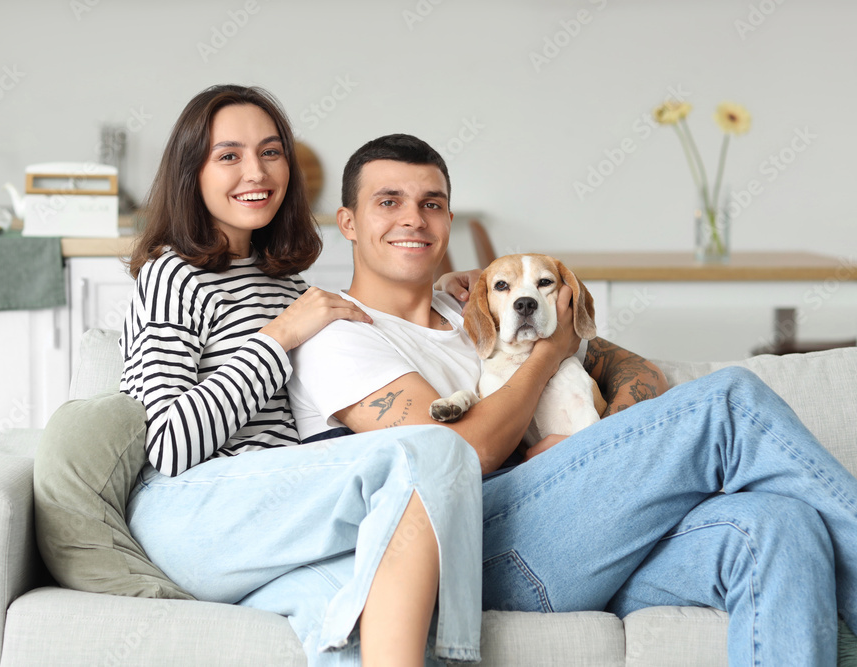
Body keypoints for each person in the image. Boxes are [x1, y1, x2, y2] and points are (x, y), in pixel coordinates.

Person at [287, 132, 855, 666]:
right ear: (349, 223)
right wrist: (547, 359)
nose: (413, 217)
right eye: (388, 202)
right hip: (478, 556)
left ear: (448, 220)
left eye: (431, 203)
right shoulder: (339, 332)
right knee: (731, 401)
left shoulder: (484, 306)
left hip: (584, 534)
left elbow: (632, 367)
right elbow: (463, 453)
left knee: (781, 524)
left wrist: (607, 456)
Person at [119, 85, 485, 666]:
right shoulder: (172, 274)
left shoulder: (288, 286)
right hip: (191, 515)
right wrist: (280, 338)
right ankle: (465, 648)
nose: (255, 172)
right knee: (431, 451)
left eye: (270, 152)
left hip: (275, 526)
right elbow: (167, 444)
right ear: (192, 173)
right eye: (228, 156)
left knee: (362, 622)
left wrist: (446, 294)